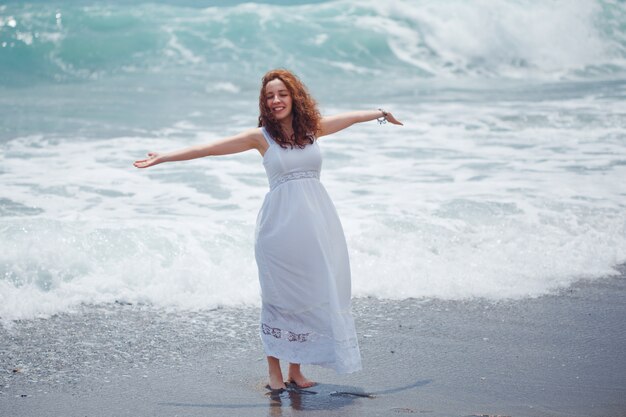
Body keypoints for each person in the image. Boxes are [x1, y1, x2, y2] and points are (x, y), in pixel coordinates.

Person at [134, 69, 402, 391]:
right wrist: (164, 157)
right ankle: (273, 368)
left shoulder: (312, 129)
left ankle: (295, 370)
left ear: (294, 97)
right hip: (278, 231)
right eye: (270, 97)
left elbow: (349, 118)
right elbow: (209, 148)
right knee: (278, 299)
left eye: (282, 94)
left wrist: (380, 113)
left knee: (308, 295)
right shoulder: (262, 138)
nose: (276, 101)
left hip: (315, 229)